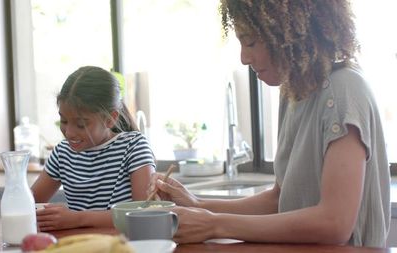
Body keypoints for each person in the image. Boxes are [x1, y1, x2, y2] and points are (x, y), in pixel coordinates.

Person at [149, 0, 390, 247]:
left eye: (251, 42)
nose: (243, 58)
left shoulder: (344, 90)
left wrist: (214, 224)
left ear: (293, 34)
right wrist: (198, 205)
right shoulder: (295, 92)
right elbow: (279, 200)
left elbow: (334, 223)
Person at [32, 66, 155, 231]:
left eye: (81, 124)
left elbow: (143, 214)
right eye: (64, 121)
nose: (69, 133)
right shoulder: (62, 153)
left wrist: (76, 219)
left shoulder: (133, 147)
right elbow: (29, 203)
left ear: (110, 119)